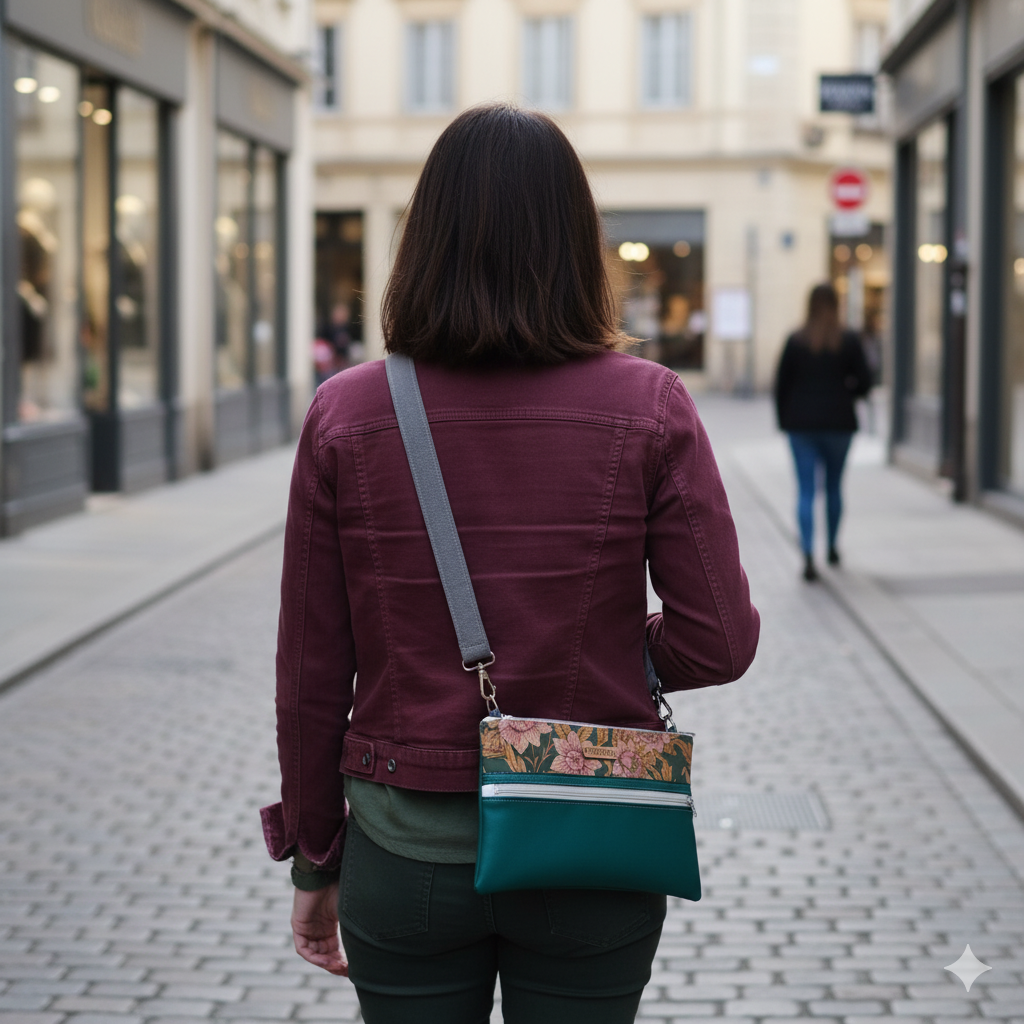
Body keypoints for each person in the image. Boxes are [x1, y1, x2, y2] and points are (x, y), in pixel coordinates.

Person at [261, 103, 760, 1024]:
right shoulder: (649, 407)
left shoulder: (348, 415)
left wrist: (314, 857)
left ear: (423, 242)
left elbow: (310, 675)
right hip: (590, 844)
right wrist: (616, 647)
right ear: (577, 246)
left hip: (405, 851)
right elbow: (720, 641)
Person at [774, 283, 873, 582]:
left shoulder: (796, 340)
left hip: (801, 425)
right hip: (838, 424)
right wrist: (846, 393)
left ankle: (807, 554)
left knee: (806, 490)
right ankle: (831, 547)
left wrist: (784, 420)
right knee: (833, 487)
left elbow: (781, 385)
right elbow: (866, 382)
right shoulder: (848, 340)